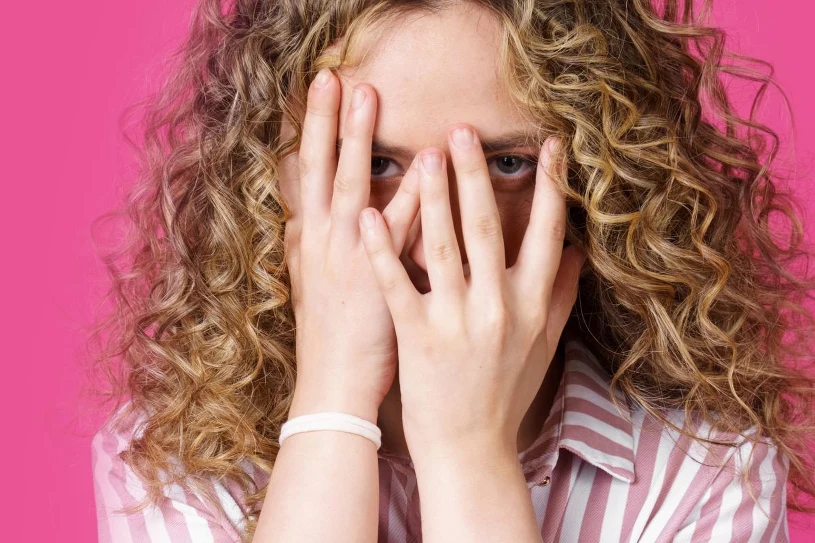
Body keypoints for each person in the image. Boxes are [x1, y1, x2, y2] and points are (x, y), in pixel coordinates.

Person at [87, 0, 815, 541]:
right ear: (271, 184)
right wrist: (333, 400)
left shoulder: (707, 475)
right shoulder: (170, 462)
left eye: (506, 163)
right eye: (373, 162)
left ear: (600, 181)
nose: (439, 235)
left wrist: (468, 452)